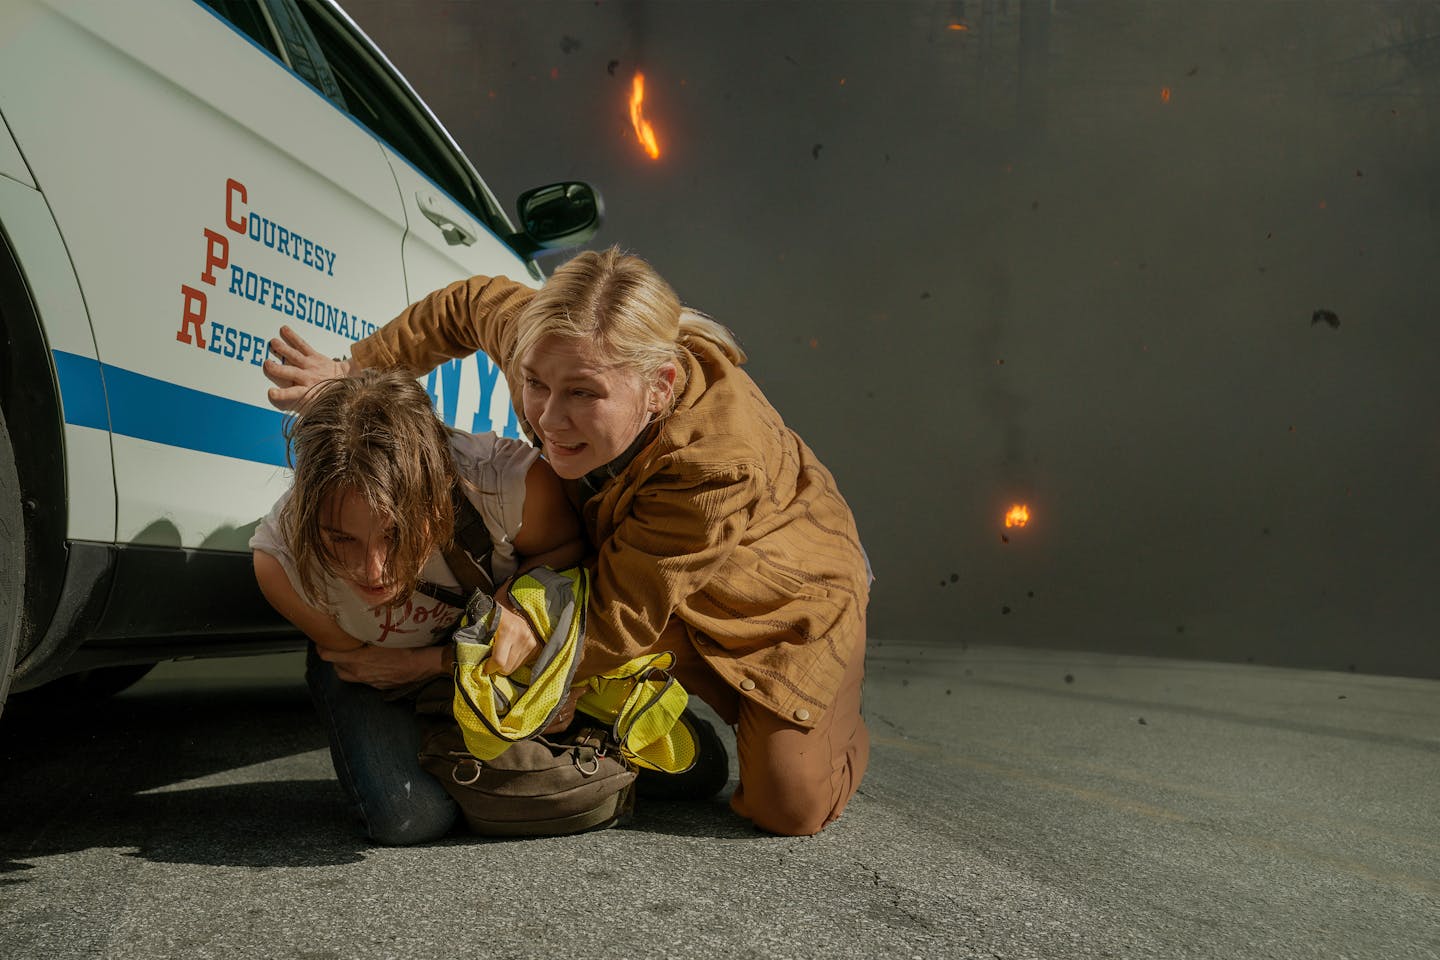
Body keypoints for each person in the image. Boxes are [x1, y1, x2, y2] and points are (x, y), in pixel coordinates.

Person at [265, 247, 871, 836]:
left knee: (788, 806)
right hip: (652, 569)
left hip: (783, 593)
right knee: (550, 639)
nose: (550, 419)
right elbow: (461, 306)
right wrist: (356, 374)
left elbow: (620, 612)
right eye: (536, 385)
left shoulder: (715, 461)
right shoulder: (552, 342)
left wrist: (432, 665)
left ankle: (826, 718)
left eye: (583, 393)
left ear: (658, 386)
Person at [250, 367, 583, 845]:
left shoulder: (506, 482)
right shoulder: (278, 562)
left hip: (462, 647)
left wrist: (511, 611)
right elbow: (370, 668)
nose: (374, 571)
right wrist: (451, 673)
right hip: (377, 671)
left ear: (437, 492)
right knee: (409, 818)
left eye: (395, 535)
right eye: (340, 539)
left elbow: (569, 550)